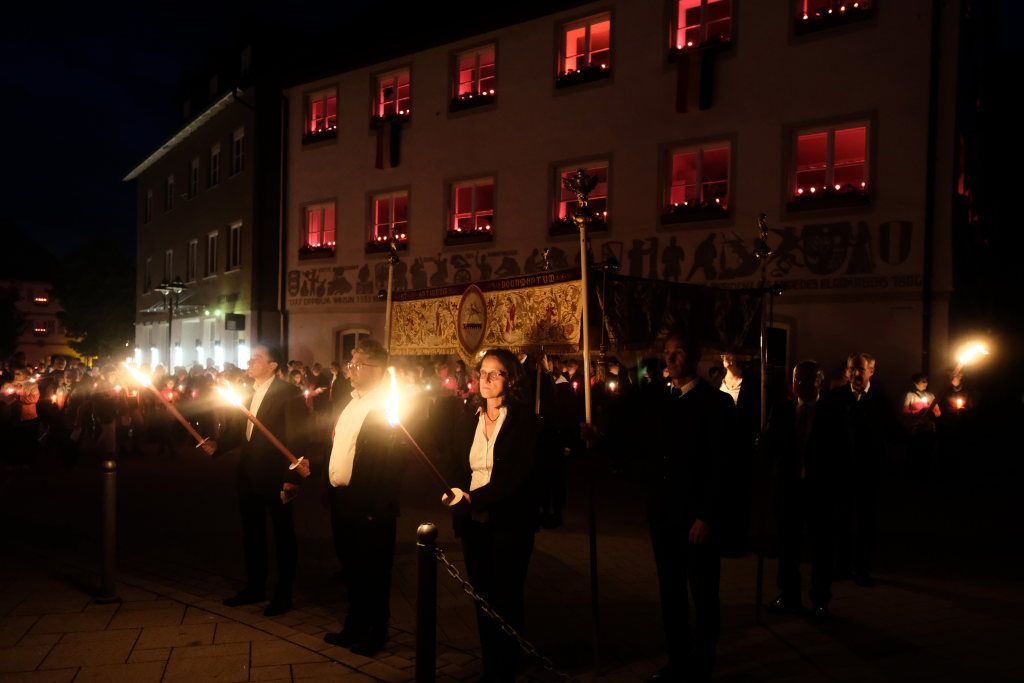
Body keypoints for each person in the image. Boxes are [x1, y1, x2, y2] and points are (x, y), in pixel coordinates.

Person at [638, 331, 734, 683]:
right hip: (664, 514)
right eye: (667, 352)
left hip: (695, 516)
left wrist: (706, 515)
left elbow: (721, 465)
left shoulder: (716, 404)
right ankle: (677, 658)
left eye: (678, 352)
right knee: (670, 590)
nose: (671, 358)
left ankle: (704, 661)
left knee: (703, 591)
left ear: (694, 357)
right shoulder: (661, 399)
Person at [441, 348, 541, 683]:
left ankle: (507, 666)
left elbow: (518, 476)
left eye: (494, 373)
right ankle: (490, 664)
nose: (485, 378)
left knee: (507, 596)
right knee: (482, 596)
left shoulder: (523, 422)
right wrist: (454, 491)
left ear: (510, 379)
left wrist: (476, 498)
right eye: (482, 372)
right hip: (473, 525)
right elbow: (456, 463)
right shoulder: (468, 418)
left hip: (508, 523)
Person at [323, 339, 408, 656]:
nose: (351, 370)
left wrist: (379, 506)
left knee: (374, 571)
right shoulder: (350, 403)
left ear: (379, 370)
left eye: (358, 364)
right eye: (351, 363)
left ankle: (376, 631)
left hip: (370, 504)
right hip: (343, 500)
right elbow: (341, 446)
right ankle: (354, 625)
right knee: (351, 568)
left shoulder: (386, 407)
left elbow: (393, 463)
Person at [218, 343, 311, 617]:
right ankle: (255, 586)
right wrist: (217, 445)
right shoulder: (247, 392)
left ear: (272, 366)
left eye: (257, 358)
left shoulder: (288, 393)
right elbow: (241, 430)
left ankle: (284, 593)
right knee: (252, 532)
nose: (250, 361)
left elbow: (297, 436)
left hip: (275, 475)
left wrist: (292, 477)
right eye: (251, 357)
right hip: (248, 474)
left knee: (283, 535)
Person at [765, 360, 834, 618]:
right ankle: (789, 594)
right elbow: (773, 447)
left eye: (807, 379)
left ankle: (820, 599)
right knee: (788, 545)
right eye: (797, 379)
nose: (801, 384)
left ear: (819, 382)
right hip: (789, 487)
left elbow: (840, 453)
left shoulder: (831, 412)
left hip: (818, 489)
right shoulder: (782, 409)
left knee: (821, 547)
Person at [822, 352, 894, 587]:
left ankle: (862, 568)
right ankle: (842, 565)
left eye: (861, 369)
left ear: (871, 371)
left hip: (868, 472)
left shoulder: (881, 400)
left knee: (866, 522)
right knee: (841, 519)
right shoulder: (836, 397)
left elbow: (892, 431)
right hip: (841, 471)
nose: (855, 373)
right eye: (852, 368)